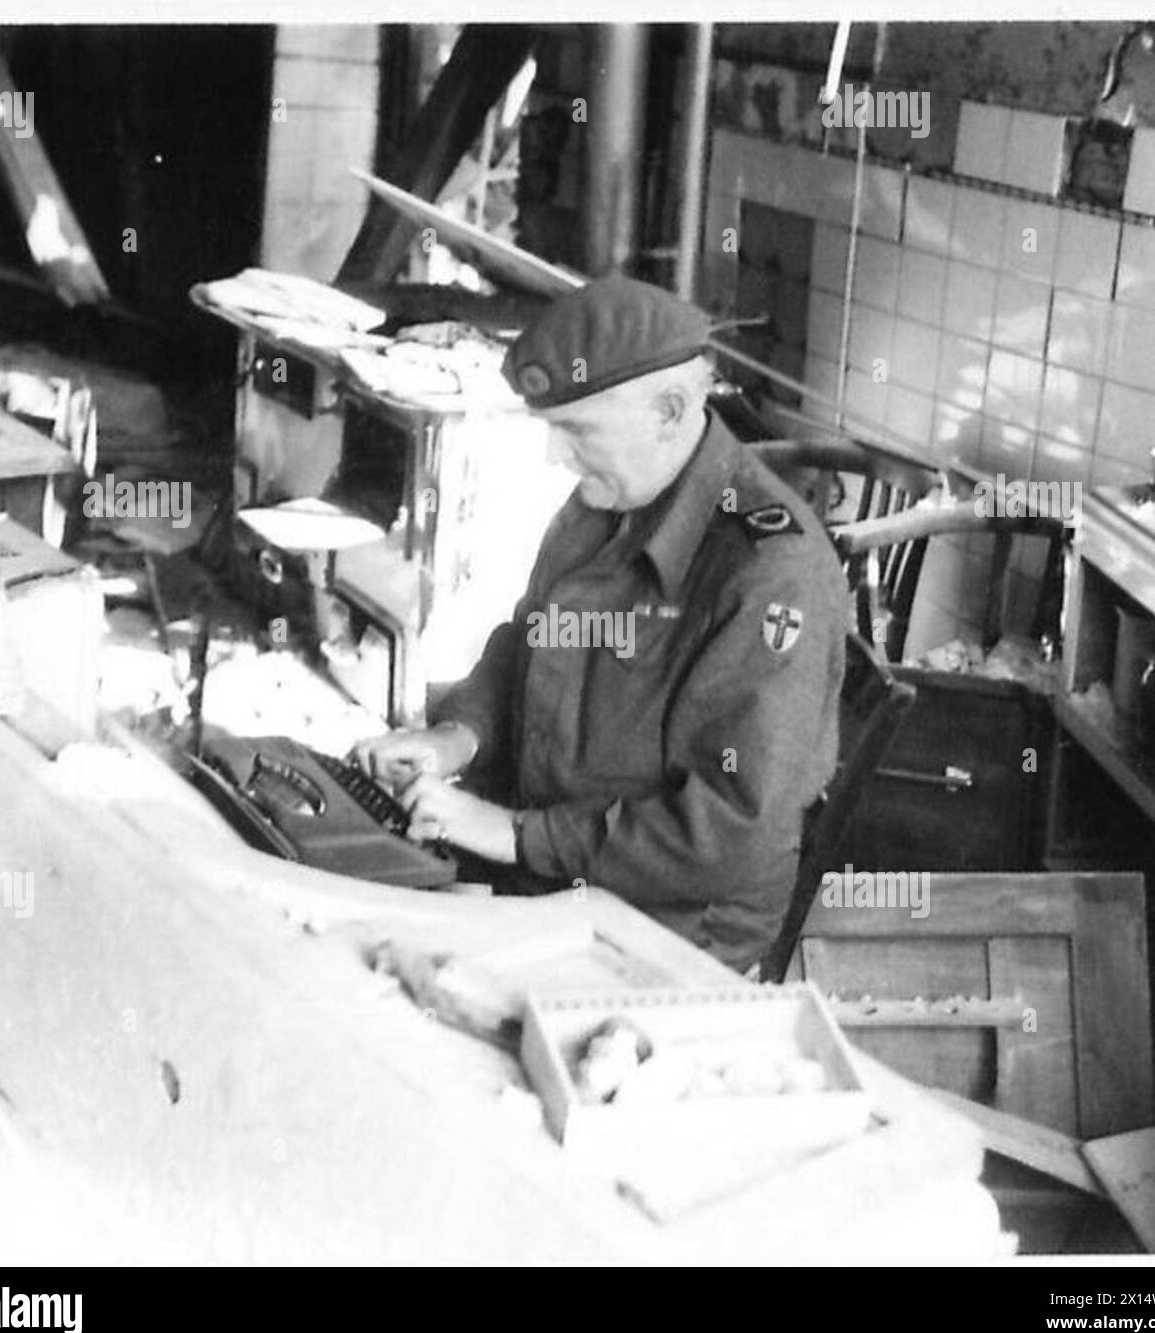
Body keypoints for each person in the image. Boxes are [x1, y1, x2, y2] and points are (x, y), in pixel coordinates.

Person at [357, 276, 846, 972]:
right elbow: (530, 643)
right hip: (550, 877)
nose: (554, 457)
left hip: (667, 938)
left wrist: (514, 835)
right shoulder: (604, 503)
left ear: (671, 411)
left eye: (577, 431)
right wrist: (458, 736)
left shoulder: (770, 573)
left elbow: (730, 830)